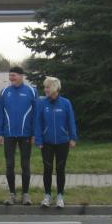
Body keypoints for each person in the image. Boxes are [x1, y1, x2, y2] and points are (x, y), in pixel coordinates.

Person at [0, 66, 37, 205]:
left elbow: (36, 114)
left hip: (26, 134)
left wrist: (34, 134)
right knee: (9, 165)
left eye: (14, 75)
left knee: (25, 165)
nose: (11, 78)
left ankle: (25, 195)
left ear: (21, 76)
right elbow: (0, 113)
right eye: (10, 75)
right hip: (9, 134)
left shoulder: (31, 91)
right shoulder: (5, 92)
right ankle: (12, 194)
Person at [34, 76, 77, 209]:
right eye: (45, 87)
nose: (45, 90)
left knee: (60, 169)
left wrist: (73, 137)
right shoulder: (42, 103)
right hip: (46, 142)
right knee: (47, 169)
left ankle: (60, 196)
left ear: (54, 88)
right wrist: (38, 139)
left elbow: (71, 121)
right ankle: (47, 196)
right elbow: (38, 122)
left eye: (47, 87)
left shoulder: (66, 103)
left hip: (63, 142)